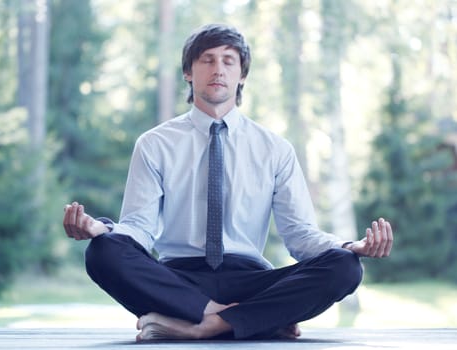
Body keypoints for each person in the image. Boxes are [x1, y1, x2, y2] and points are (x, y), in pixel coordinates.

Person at [63, 23, 393, 341]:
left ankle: (203, 326)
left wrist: (352, 247)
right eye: (207, 59)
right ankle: (250, 320)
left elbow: (300, 236)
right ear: (188, 72)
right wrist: (103, 231)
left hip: (251, 279)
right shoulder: (154, 144)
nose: (217, 69)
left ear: (242, 75)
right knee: (102, 253)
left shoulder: (274, 149)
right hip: (178, 282)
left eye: (228, 60)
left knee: (345, 268)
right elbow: (140, 227)